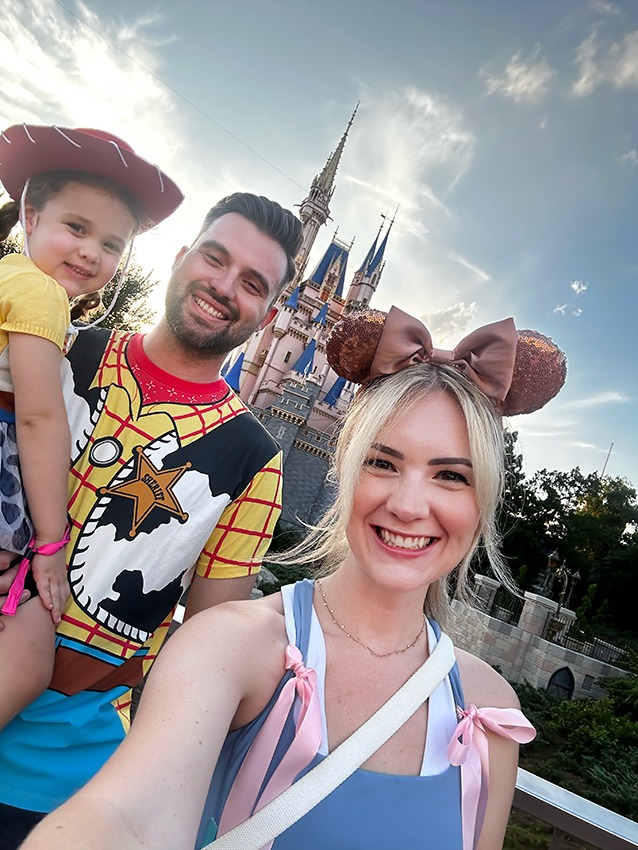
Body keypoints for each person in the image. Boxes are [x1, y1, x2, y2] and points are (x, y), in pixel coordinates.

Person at [20, 307, 567, 850]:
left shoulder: (491, 712)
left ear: (483, 501)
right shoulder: (231, 646)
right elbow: (128, 818)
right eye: (382, 463)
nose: (407, 505)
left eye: (450, 475)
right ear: (345, 472)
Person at [0, 188, 302, 848]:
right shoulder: (57, 348)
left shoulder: (253, 461)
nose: (223, 287)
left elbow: (209, 649)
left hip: (67, 788)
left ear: (271, 315)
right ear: (180, 254)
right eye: (214, 258)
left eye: (252, 283)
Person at [0, 124, 183, 731]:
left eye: (111, 244)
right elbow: (38, 413)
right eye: (75, 228)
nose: (90, 253)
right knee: (28, 654)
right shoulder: (40, 296)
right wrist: (51, 544)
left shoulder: (14, 279)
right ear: (30, 213)